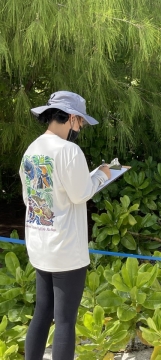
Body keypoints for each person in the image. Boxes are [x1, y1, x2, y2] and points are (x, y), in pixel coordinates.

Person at [19, 91, 111, 360]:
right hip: (66, 249)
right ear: (71, 118)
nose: (80, 128)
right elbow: (80, 193)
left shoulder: (32, 149)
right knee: (65, 321)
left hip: (39, 244)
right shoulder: (70, 151)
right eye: (81, 122)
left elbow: (30, 198)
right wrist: (102, 175)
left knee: (42, 313)